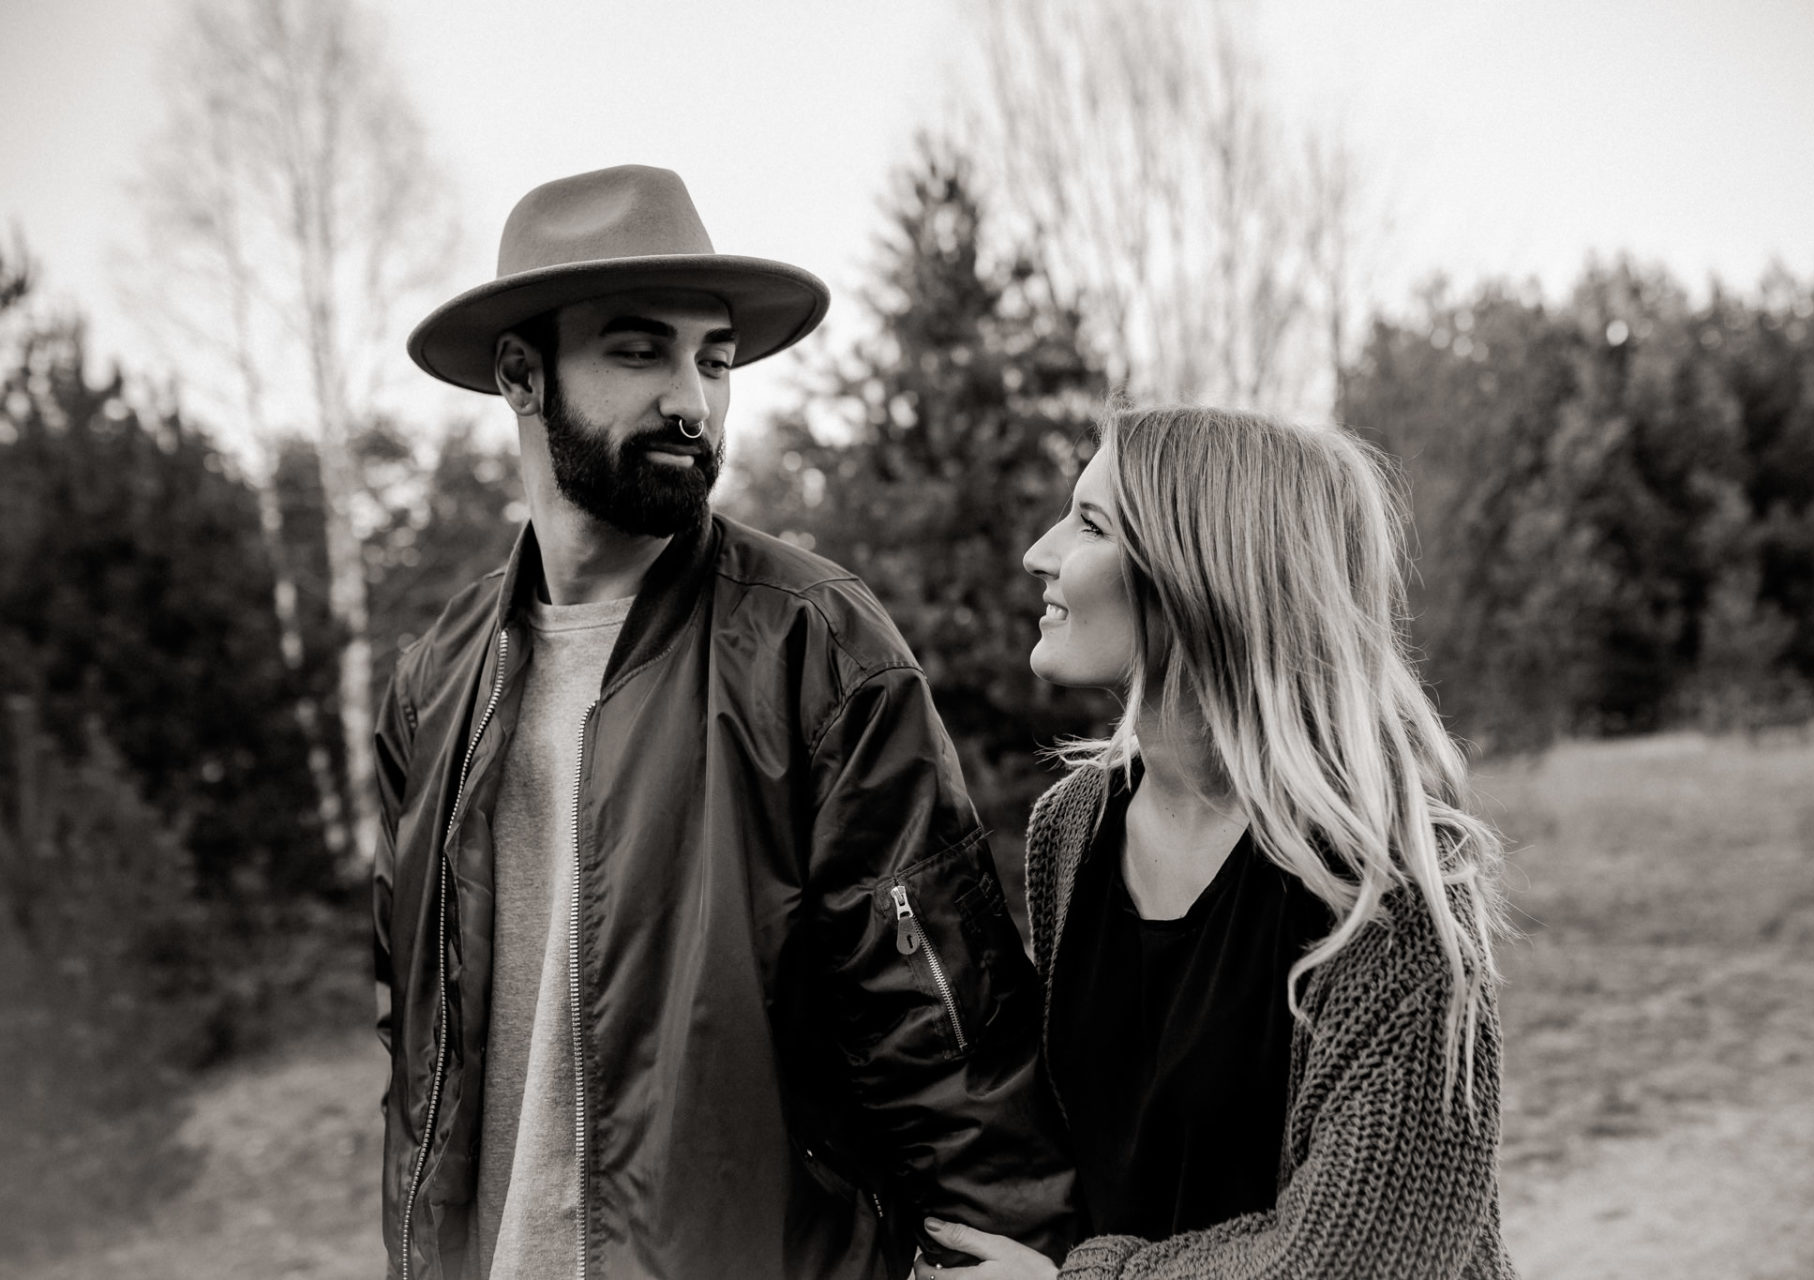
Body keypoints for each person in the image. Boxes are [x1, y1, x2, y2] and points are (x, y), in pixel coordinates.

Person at [375, 164, 1075, 1280]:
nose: (692, 401)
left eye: (714, 359)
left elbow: (948, 1042)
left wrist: (1021, 1251)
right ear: (521, 372)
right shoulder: (433, 683)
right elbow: (418, 1039)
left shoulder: (816, 648)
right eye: (639, 351)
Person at [914, 406, 1514, 1279]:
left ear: (1201, 577)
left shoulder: (1388, 884)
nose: (1039, 553)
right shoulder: (1072, 827)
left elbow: (1360, 1257)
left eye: (1089, 524)